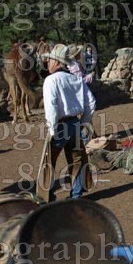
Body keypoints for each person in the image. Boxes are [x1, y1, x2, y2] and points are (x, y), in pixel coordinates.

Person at [42, 44, 97, 201]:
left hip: (59, 125)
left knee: (49, 161)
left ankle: (48, 196)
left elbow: (51, 107)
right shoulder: (76, 79)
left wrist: (52, 130)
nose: (48, 63)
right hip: (75, 124)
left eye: (51, 60)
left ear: (57, 62)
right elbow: (91, 103)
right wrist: (83, 122)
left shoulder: (51, 80)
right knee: (77, 160)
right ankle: (76, 195)